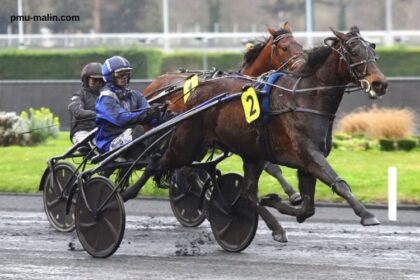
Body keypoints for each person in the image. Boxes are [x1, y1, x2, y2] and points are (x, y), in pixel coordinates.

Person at [95, 56, 162, 153]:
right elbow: (122, 119)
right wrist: (147, 113)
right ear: (109, 76)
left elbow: (147, 113)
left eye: (127, 73)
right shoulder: (106, 98)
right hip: (109, 142)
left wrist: (158, 115)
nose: (124, 76)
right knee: (139, 130)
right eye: (119, 73)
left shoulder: (136, 94)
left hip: (131, 134)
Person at [68, 62, 105, 144]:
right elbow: (78, 112)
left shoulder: (105, 97)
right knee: (95, 143)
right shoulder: (78, 95)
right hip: (82, 132)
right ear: (86, 79)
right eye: (94, 80)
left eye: (100, 80)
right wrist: (98, 114)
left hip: (100, 131)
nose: (98, 83)